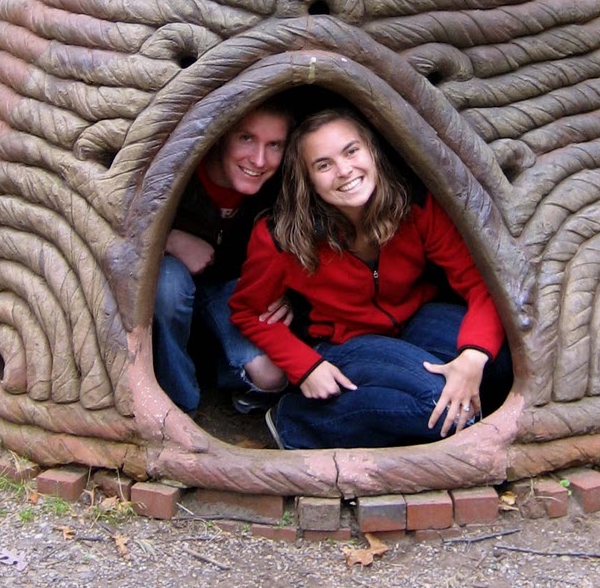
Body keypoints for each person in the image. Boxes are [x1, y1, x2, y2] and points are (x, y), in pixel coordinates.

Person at [229, 107, 511, 449]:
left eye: (351, 151)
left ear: (372, 151)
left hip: (415, 321)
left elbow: (481, 282)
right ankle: (297, 422)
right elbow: (247, 311)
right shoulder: (281, 236)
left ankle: (402, 408)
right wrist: (304, 366)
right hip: (344, 345)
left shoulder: (414, 204)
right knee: (439, 404)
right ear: (307, 179)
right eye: (323, 165)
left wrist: (473, 356)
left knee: (498, 363)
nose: (344, 170)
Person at [153, 104, 291, 415]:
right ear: (219, 136)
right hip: (172, 279)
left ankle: (208, 366)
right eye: (246, 138)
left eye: (274, 145)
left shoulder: (279, 189)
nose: (259, 160)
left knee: (271, 376)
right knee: (167, 286)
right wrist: (169, 239)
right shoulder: (181, 173)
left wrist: (289, 295)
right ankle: (179, 402)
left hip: (228, 290)